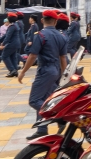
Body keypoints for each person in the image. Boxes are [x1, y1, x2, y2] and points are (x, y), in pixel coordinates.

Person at [19, 9, 68, 139]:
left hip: (45, 70)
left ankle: (58, 117)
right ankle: (41, 128)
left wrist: (23, 72)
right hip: (56, 70)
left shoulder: (40, 35)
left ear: (42, 20)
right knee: (45, 100)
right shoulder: (61, 36)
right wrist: (64, 75)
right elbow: (63, 58)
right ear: (56, 21)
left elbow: (32, 55)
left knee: (34, 100)